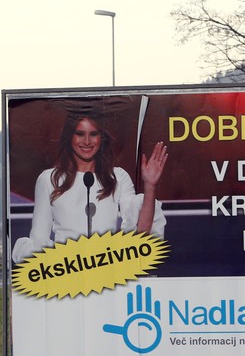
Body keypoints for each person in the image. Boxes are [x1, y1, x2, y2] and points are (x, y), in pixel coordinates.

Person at [11, 112, 169, 263]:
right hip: (65, 275)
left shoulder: (118, 177)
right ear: (69, 137)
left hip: (107, 275)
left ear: (101, 138)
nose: (87, 141)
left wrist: (150, 185)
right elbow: (39, 240)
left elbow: (141, 238)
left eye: (93, 134)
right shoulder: (49, 179)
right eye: (80, 133)